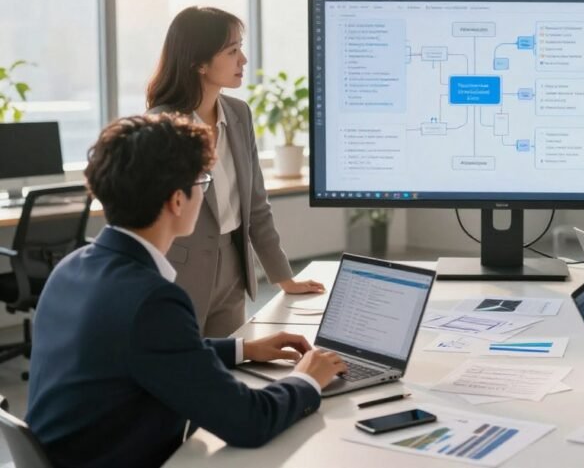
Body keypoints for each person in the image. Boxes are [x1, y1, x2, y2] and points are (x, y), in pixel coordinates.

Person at [26, 114, 347, 467]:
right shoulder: (151, 300)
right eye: (202, 181)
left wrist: (244, 349)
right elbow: (249, 421)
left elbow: (143, 348)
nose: (204, 192)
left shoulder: (71, 268)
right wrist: (307, 380)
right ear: (177, 201)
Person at [146, 6, 322, 337]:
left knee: (232, 367)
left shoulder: (239, 113)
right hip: (179, 269)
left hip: (232, 267)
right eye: (232, 51)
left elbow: (256, 204)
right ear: (199, 62)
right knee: (184, 371)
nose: (242, 60)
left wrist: (284, 277)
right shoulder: (163, 125)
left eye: (240, 47)